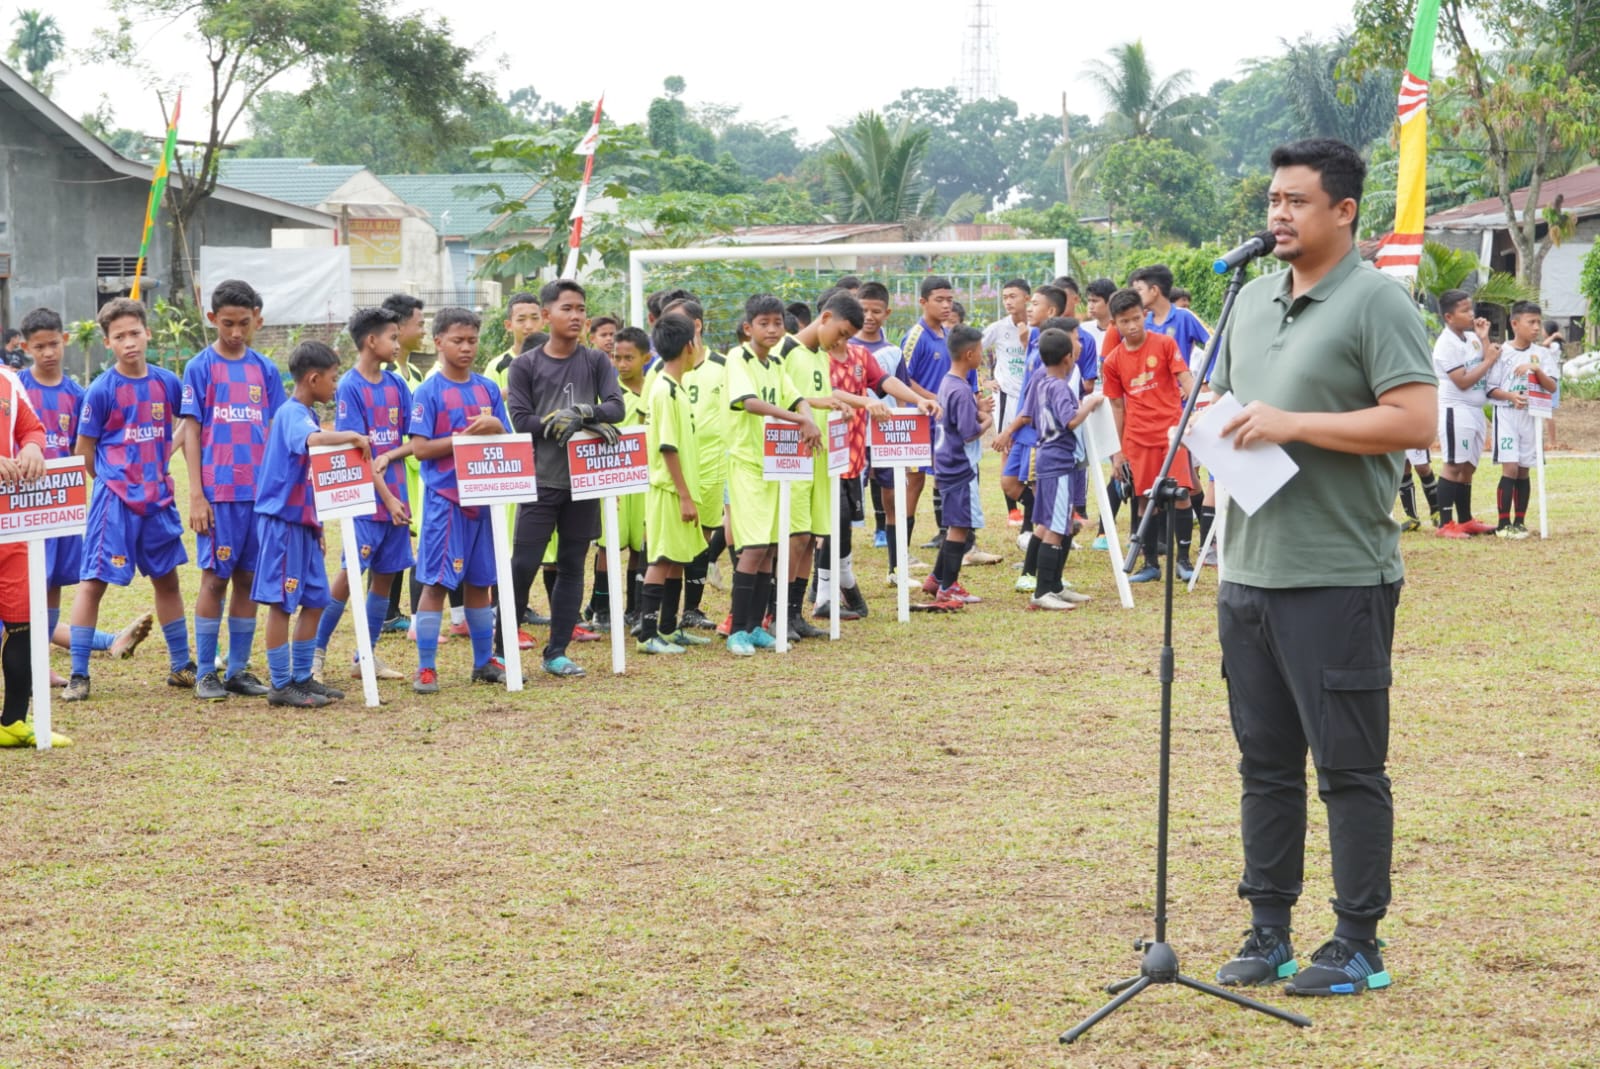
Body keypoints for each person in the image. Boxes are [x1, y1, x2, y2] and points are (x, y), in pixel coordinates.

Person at [1207, 137, 1437, 997]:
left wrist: (1294, 423)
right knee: (1264, 763)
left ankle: (1356, 940)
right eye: (1272, 198)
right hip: (1249, 570)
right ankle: (1269, 927)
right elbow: (1233, 407)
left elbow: (1415, 421)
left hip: (1338, 572)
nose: (1277, 214)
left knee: (1346, 764)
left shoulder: (1377, 301)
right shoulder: (1253, 298)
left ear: (1344, 211)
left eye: (1296, 200)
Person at [63, 298, 194, 702]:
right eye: (119, 336)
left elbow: (187, 423)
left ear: (147, 333)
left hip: (158, 500)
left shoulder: (167, 383)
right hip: (114, 503)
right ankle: (79, 674)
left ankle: (182, 666)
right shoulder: (101, 390)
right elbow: (84, 451)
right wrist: (113, 483)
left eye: (135, 333)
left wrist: (162, 457)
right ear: (108, 343)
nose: (129, 342)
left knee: (167, 580)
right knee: (93, 584)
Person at [17, 308, 154, 680]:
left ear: (64, 341)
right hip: (19, 508)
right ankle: (104, 641)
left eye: (52, 344)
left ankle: (42, 664)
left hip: (62, 508)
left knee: (53, 588)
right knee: (20, 594)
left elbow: (88, 446)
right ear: (26, 347)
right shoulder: (16, 389)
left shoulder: (79, 394)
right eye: (38, 347)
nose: (47, 353)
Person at [505, 280, 626, 678]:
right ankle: (500, 648)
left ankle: (556, 652)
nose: (575, 316)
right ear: (546, 315)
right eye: (567, 308)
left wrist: (584, 413)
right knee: (523, 565)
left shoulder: (596, 362)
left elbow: (616, 407)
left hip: (585, 481)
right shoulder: (525, 365)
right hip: (541, 480)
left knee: (574, 565)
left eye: (580, 309)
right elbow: (521, 420)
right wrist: (560, 422)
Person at [179, 279, 286, 700]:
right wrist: (196, 493)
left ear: (256, 319)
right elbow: (192, 431)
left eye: (244, 323)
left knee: (247, 579)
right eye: (227, 324)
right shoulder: (200, 367)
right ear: (212, 319)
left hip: (259, 496)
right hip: (219, 494)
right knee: (213, 579)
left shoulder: (265, 369)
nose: (236, 332)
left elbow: (277, 430)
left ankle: (239, 670)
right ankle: (206, 671)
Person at [250, 341, 368, 707]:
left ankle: (303, 676)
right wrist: (350, 435)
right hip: (281, 523)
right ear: (313, 378)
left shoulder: (308, 414)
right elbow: (313, 442)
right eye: (333, 379)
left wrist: (316, 527)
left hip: (304, 525)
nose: (335, 386)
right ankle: (281, 684)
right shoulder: (292, 414)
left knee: (316, 598)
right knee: (282, 603)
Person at [408, 308, 513, 692]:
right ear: (438, 343)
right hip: (446, 501)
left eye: (472, 340)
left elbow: (509, 437)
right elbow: (419, 449)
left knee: (480, 583)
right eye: (457, 340)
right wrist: (464, 438)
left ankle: (483, 662)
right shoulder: (428, 392)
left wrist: (498, 426)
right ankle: (426, 667)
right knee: (437, 582)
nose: (466, 347)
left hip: (485, 500)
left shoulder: (487, 388)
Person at [815, 307, 940, 621]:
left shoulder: (859, 356)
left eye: (848, 334)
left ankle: (835, 590)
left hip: (853, 453)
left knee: (842, 525)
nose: (843, 340)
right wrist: (865, 401)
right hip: (822, 456)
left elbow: (884, 381)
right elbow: (824, 391)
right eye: (842, 332)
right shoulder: (815, 358)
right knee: (829, 523)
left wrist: (916, 398)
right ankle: (823, 594)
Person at [311, 306, 414, 681]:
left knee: (384, 579)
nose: (397, 344)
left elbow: (412, 442)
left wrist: (390, 453)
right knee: (348, 576)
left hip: (396, 502)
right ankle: (314, 654)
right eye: (392, 337)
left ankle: (364, 658)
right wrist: (385, 497)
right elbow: (356, 452)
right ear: (371, 341)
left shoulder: (397, 385)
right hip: (366, 501)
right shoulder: (350, 388)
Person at [724, 294, 822, 656]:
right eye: (763, 323)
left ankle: (756, 626)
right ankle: (736, 630)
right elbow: (748, 403)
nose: (771, 329)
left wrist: (806, 413)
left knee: (770, 547)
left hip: (773, 466)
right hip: (747, 465)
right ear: (749, 327)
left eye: (777, 322)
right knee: (752, 549)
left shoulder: (775, 362)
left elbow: (797, 397)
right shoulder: (738, 358)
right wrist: (800, 420)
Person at [1100, 288, 1196, 583]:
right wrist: (1118, 451)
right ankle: (1151, 564)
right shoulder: (1113, 362)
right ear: (1115, 323)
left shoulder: (1165, 344)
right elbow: (1117, 407)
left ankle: (1183, 561)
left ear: (1145, 315)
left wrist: (1192, 414)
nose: (1132, 326)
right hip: (1137, 439)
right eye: (1125, 321)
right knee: (1145, 499)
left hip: (1171, 434)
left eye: (1137, 318)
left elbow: (1185, 377)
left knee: (1180, 494)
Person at [0, 337, 66, 746]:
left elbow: (32, 428)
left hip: (11, 528)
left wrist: (32, 449)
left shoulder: (8, 381)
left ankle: (13, 722)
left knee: (25, 623)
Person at [635, 314, 710, 654]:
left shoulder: (677, 387)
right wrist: (683, 495)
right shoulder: (664, 390)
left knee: (679, 557)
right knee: (662, 557)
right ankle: (647, 634)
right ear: (688, 346)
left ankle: (668, 627)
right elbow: (667, 446)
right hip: (668, 490)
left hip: (682, 489)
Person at [1020, 328, 1102, 610]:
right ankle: (1043, 591)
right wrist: (1089, 404)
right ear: (1068, 358)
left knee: (1057, 521)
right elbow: (1070, 420)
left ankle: (1055, 585)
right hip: (1057, 460)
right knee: (1056, 525)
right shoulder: (1058, 386)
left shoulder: (1041, 382)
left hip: (1047, 457)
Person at [661, 297, 725, 633]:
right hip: (673, 469)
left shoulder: (723, 367)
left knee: (703, 537)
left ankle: (692, 609)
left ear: (696, 325)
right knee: (669, 542)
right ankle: (659, 615)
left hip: (711, 467)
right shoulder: (664, 375)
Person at [918, 325, 991, 610]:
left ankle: (937, 578)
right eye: (981, 352)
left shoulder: (948, 382)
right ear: (970, 354)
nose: (982, 357)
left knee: (954, 525)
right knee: (960, 526)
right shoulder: (960, 390)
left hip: (945, 462)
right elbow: (968, 431)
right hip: (959, 465)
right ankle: (949, 588)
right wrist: (987, 421)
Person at [586, 324, 649, 633]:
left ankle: (635, 607)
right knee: (609, 545)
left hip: (644, 479)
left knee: (640, 545)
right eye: (616, 358)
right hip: (614, 477)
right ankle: (601, 607)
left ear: (645, 358)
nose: (622, 364)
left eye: (629, 358)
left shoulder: (654, 389)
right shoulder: (610, 395)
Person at [1486, 300, 1559, 538]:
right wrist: (1510, 396)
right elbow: (1490, 388)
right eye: (1531, 322)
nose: (1537, 327)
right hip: (1507, 415)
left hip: (1531, 416)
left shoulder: (1542, 354)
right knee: (1511, 466)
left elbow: (1551, 387)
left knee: (1524, 469)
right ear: (1515, 324)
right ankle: (1503, 523)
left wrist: (1536, 370)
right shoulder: (1501, 352)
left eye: (1539, 322)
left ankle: (1520, 521)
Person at [1431, 289, 1497, 537]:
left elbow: (1485, 357)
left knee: (1468, 466)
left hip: (1474, 411)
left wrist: (1484, 338)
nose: (1471, 314)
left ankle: (1466, 519)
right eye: (1465, 310)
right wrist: (1488, 360)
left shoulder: (1470, 338)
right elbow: (1463, 380)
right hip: (1455, 410)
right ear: (1449, 317)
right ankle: (1445, 524)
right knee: (1453, 465)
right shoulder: (1445, 344)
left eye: (1471, 309)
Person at [380, 293, 427, 635]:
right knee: (387, 537)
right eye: (419, 323)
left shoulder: (412, 372)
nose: (423, 330)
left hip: (415, 469)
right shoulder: (384, 374)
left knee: (403, 537)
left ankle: (392, 611)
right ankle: (386, 611)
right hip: (393, 469)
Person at [854, 281, 902, 550]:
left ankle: (895, 551)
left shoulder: (893, 352)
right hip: (855, 436)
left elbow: (900, 387)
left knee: (893, 492)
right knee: (846, 498)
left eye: (876, 311)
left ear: (887, 313)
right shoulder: (844, 349)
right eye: (863, 311)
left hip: (887, 434)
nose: (869, 317)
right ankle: (835, 563)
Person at [984, 278, 1033, 525]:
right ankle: (1012, 509)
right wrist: (984, 381)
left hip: (1029, 395)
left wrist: (1026, 341)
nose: (1008, 301)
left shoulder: (1036, 327)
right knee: (1007, 446)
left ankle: (1029, 498)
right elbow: (970, 350)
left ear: (1027, 298)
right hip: (1006, 395)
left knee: (1028, 448)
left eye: (1013, 296)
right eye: (1005, 297)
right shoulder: (999, 328)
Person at [1131, 264, 1212, 370]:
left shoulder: (1184, 316)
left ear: (1154, 290)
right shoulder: (1142, 323)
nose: (1135, 296)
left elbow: (1213, 341)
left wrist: (1206, 379)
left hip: (1181, 384)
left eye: (1139, 290)